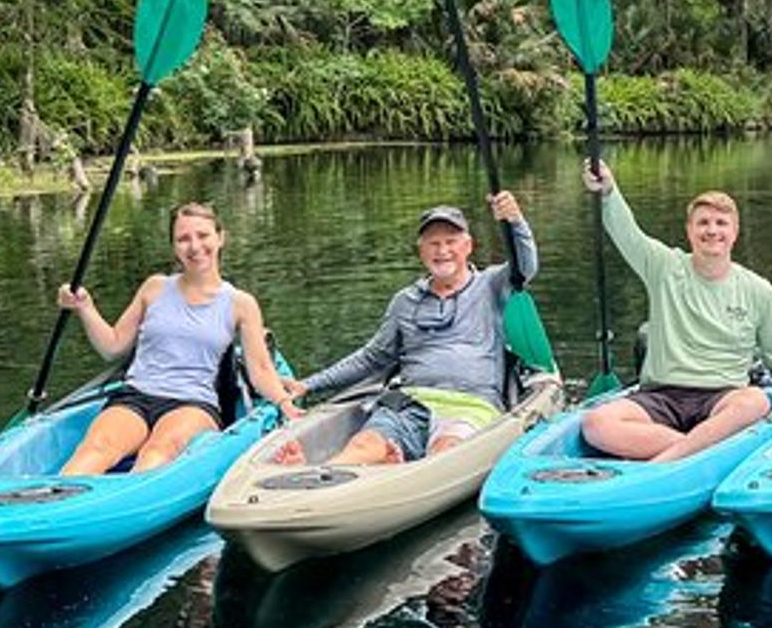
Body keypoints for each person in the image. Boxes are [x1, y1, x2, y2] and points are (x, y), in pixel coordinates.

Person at [579, 162, 772, 461]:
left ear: (735, 232)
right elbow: (627, 233)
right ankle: (697, 451)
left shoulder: (759, 290)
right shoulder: (664, 267)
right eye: (703, 223)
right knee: (595, 423)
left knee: (755, 401)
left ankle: (666, 459)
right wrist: (609, 192)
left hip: (722, 398)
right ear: (689, 230)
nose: (712, 231)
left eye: (721, 223)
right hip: (660, 396)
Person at [272, 192, 534, 465]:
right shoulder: (405, 301)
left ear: (468, 246)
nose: (442, 251)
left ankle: (399, 461)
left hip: (470, 406)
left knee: (446, 450)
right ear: (421, 251)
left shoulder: (492, 285)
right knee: (364, 443)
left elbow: (525, 266)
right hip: (410, 402)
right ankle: (320, 474)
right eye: (433, 244)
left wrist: (515, 220)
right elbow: (371, 358)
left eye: (451, 242)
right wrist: (308, 385)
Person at [57, 202, 299, 476]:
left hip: (193, 403)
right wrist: (85, 306)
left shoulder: (241, 303)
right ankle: (50, 507)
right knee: (97, 447)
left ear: (220, 237)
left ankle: (131, 505)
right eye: (183, 239)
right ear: (174, 247)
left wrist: (284, 402)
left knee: (160, 450)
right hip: (136, 395)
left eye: (203, 235)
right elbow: (113, 346)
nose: (194, 246)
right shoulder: (155, 287)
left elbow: (262, 370)